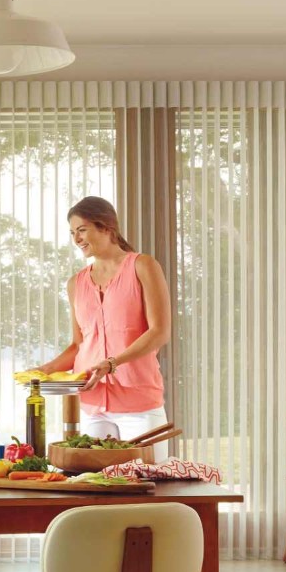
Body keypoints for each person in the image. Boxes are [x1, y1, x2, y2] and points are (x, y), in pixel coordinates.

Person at [36, 196, 172, 460]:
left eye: (82, 229)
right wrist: (45, 370)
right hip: (93, 404)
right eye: (72, 233)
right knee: (92, 482)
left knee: (147, 483)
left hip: (139, 404)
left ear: (106, 227)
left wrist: (111, 363)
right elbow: (79, 345)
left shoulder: (143, 266)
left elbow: (159, 331)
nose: (77, 239)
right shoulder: (76, 283)